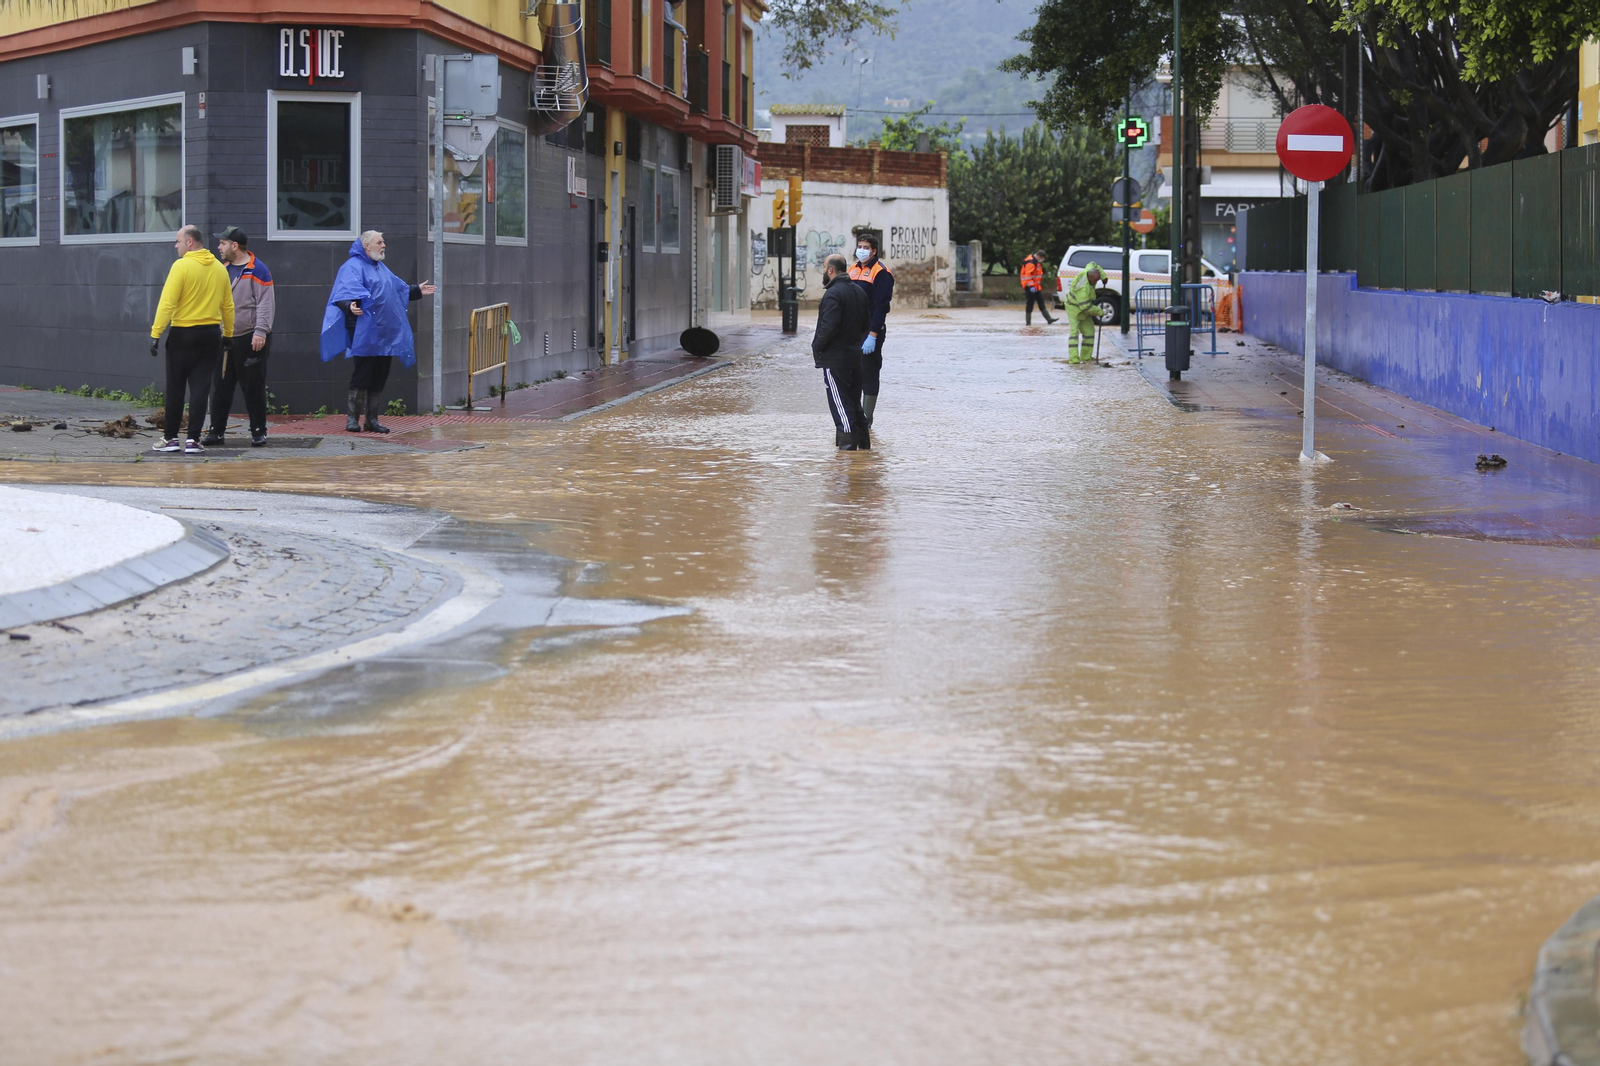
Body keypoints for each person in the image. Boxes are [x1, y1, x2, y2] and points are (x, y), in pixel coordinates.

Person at [319, 230, 436, 433]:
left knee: (380, 375)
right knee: (363, 373)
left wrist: (416, 290)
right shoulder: (352, 266)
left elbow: (396, 289)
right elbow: (342, 293)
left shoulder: (381, 268)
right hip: (363, 329)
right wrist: (349, 306)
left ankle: (371, 420)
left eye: (383, 242)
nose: (384, 245)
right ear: (367, 246)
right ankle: (353, 420)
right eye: (380, 242)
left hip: (385, 331)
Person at [149, 224, 235, 454]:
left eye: (178, 241)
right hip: (210, 335)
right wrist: (228, 334)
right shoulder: (219, 268)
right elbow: (228, 305)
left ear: (190, 242)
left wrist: (156, 333)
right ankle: (193, 440)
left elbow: (167, 303)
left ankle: (170, 439)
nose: (175, 246)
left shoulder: (181, 266)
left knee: (176, 388)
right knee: (201, 388)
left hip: (182, 334)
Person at [202, 227, 275, 448]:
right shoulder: (222, 269)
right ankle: (216, 432)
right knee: (220, 386)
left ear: (235, 246)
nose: (219, 247)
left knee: (253, 386)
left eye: (223, 243)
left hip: (250, 338)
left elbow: (265, 303)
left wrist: (260, 331)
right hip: (224, 338)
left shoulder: (258, 270)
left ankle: (258, 431)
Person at [813, 253, 872, 451]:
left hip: (835, 360)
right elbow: (866, 324)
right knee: (855, 405)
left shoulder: (833, 294)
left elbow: (828, 327)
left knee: (841, 407)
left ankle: (848, 454)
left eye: (824, 268)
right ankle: (864, 451)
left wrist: (817, 347)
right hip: (855, 357)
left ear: (831, 270)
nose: (823, 272)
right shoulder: (859, 291)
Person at [848, 232, 894, 428]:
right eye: (860, 246)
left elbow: (882, 306)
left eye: (866, 247)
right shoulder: (852, 269)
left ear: (874, 251)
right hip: (852, 330)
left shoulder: (881, 273)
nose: (862, 250)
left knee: (868, 373)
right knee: (851, 373)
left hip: (869, 331)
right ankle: (853, 414)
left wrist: (873, 335)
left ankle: (866, 419)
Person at [1063, 262, 1105, 364]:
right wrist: (1099, 312)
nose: (1096, 283)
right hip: (1073, 307)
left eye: (1097, 280)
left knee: (1089, 332)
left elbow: (1094, 264)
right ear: (1089, 277)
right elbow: (1086, 307)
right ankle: (1074, 359)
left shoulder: (1088, 270)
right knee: (1074, 332)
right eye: (1095, 280)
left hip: (1083, 306)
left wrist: (1104, 276)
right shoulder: (1082, 288)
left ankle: (1086, 358)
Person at [1020, 249, 1057, 325]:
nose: (1042, 260)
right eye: (1042, 258)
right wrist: (1031, 286)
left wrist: (1035, 286)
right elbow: (1027, 276)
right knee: (1030, 303)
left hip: (1036, 287)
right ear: (1039, 256)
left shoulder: (1036, 262)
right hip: (1029, 286)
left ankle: (1049, 319)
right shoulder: (1031, 262)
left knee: (1041, 302)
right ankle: (1028, 323)